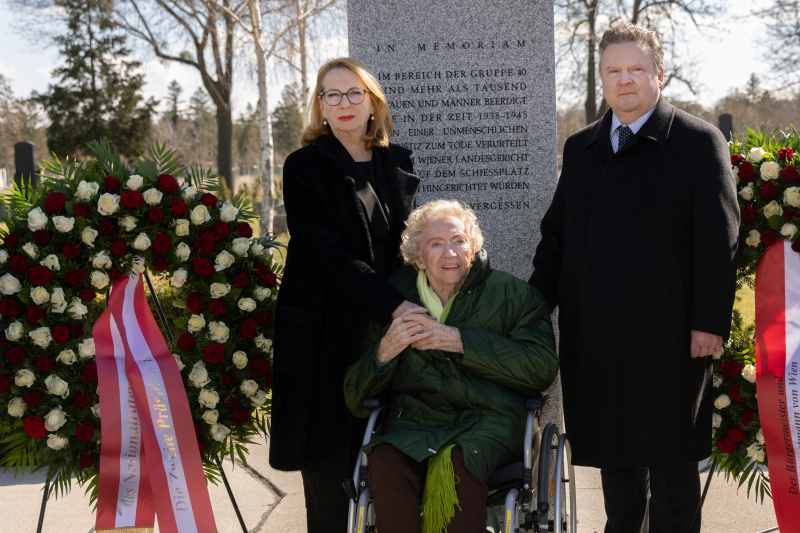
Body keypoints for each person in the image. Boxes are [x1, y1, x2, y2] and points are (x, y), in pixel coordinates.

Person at [529, 24, 739, 533]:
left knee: (672, 472)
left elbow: (720, 240)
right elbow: (557, 237)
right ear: (602, 79)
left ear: (658, 75)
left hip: (670, 339)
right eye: (613, 71)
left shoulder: (696, 142)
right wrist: (533, 305)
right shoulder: (582, 148)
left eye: (636, 69)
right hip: (598, 337)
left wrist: (709, 322)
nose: (624, 80)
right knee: (617, 468)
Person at [269, 57, 424, 533]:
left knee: (387, 471)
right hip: (326, 332)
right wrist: (394, 304)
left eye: (354, 93)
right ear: (320, 106)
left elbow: (407, 246)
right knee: (331, 479)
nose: (343, 103)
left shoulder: (395, 160)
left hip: (385, 332)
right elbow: (324, 253)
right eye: (331, 95)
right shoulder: (304, 166)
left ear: (372, 101)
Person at [345, 200, 558, 533]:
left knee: (462, 460)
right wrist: (384, 350)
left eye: (459, 240)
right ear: (417, 255)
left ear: (473, 246)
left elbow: (542, 367)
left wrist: (460, 341)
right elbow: (355, 399)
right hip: (414, 421)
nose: (450, 253)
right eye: (436, 243)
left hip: (492, 419)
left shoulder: (514, 296)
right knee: (385, 462)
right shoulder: (394, 301)